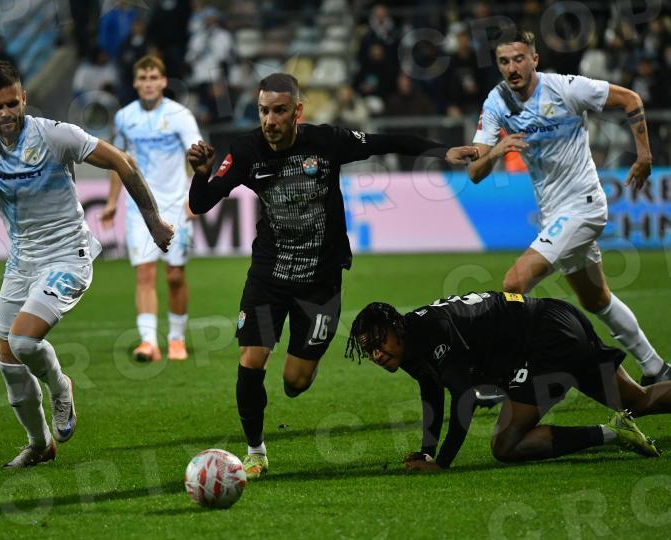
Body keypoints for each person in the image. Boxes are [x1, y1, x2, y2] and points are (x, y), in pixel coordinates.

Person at [187, 73, 478, 479]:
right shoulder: (246, 151)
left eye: (279, 111)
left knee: (295, 382)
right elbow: (201, 203)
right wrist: (201, 172)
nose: (269, 120)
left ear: (297, 111)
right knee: (251, 360)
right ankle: (255, 452)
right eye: (263, 111)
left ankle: (303, 364)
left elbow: (385, 142)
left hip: (320, 283)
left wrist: (442, 150)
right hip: (269, 278)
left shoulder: (326, 142)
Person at [0, 61, 173, 468]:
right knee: (8, 361)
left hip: (69, 255)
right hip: (21, 263)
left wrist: (153, 221)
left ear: (24, 98)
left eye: (12, 103)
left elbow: (123, 162)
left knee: (23, 341)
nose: (6, 113)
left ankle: (60, 385)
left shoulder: (54, 135)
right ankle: (40, 445)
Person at [468, 30, 671, 389]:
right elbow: (474, 172)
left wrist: (644, 155)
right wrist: (497, 151)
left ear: (534, 60)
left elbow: (630, 99)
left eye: (519, 59)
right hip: (555, 214)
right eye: (504, 61)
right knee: (597, 299)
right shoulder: (497, 101)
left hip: (584, 205)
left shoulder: (566, 88)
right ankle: (656, 368)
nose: (512, 68)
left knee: (514, 283)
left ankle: (507, 376)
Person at [346, 292, 671, 471]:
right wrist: (426, 452)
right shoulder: (409, 341)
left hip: (547, 340)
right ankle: (619, 429)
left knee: (507, 444)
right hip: (557, 317)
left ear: (397, 328)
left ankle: (613, 433)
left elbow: (465, 397)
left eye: (379, 343)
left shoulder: (431, 332)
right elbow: (431, 390)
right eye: (368, 349)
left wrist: (442, 463)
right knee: (637, 400)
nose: (377, 354)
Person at [101, 55, 201, 362]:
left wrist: (196, 198)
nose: (148, 83)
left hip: (175, 205)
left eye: (153, 77)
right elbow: (119, 163)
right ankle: (148, 343)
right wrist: (112, 202)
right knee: (144, 274)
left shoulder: (180, 115)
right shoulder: (124, 117)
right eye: (143, 78)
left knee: (175, 276)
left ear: (163, 81)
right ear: (135, 82)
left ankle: (176, 339)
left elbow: (198, 156)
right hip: (139, 209)